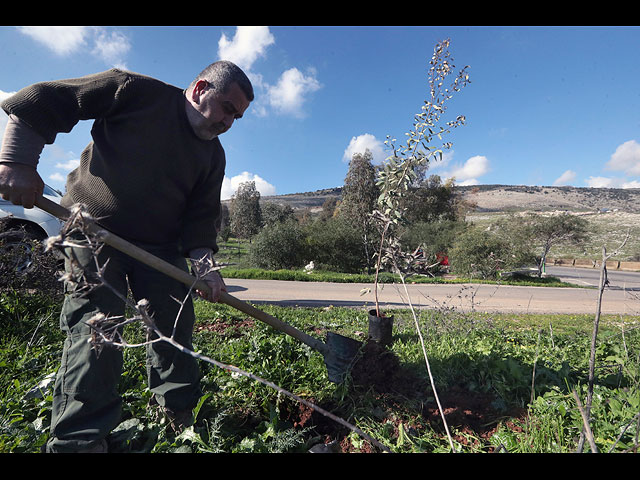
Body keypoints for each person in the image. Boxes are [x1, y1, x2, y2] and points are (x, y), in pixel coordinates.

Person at [0, 61, 253, 452]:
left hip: (161, 248)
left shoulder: (212, 156)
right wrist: (16, 161)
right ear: (201, 88)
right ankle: (79, 439)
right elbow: (45, 99)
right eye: (227, 108)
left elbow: (200, 221)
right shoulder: (134, 92)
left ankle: (179, 413)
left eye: (237, 116)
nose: (229, 122)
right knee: (98, 331)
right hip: (91, 231)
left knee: (175, 325)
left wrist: (207, 269)